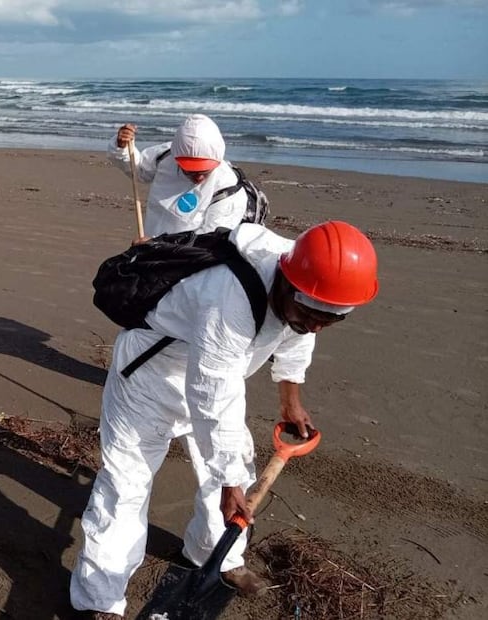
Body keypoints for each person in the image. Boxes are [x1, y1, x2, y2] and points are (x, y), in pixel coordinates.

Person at [70, 221, 379, 619]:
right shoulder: (229, 296)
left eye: (332, 318)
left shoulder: (311, 281)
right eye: (311, 312)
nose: (318, 323)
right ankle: (100, 599)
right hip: (151, 377)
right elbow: (211, 393)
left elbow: (298, 333)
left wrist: (290, 399)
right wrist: (229, 480)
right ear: (286, 281)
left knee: (235, 469)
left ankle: (214, 556)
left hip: (218, 377)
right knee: (126, 484)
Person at [109, 114, 254, 240]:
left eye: (204, 172)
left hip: (188, 263)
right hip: (149, 244)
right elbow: (139, 171)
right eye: (190, 171)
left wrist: (157, 247)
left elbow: (210, 240)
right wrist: (122, 147)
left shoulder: (228, 189)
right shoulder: (165, 156)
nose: (198, 178)